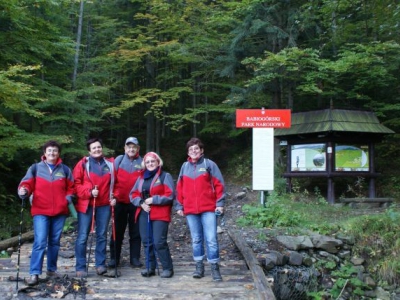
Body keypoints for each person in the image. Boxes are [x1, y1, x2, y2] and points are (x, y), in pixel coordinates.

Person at [17, 140, 75, 286]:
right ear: (44, 153)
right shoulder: (35, 168)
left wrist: (66, 199)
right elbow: (26, 184)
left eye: (55, 151)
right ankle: (34, 273)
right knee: (40, 242)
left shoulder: (65, 170)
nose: (52, 153)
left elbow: (72, 188)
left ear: (58, 153)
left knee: (54, 242)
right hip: (40, 210)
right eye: (49, 151)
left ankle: (51, 270)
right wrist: (23, 190)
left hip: (60, 212)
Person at [175, 137, 225, 281]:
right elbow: (179, 188)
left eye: (196, 148)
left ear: (201, 150)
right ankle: (199, 267)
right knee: (196, 239)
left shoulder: (209, 164)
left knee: (211, 239)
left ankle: (215, 268)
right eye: (191, 149)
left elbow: (219, 184)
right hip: (190, 209)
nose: (194, 151)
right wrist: (179, 205)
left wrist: (220, 204)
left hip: (209, 208)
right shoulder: (184, 167)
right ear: (188, 152)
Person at [73, 137, 116, 277]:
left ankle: (100, 265)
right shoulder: (82, 164)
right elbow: (76, 184)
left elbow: (117, 184)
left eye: (99, 147)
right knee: (83, 236)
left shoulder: (109, 164)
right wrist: (89, 193)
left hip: (104, 205)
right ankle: (80, 267)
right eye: (94, 148)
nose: (97, 150)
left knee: (102, 235)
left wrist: (114, 196)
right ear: (89, 151)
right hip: (87, 205)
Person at [130, 152, 175, 278]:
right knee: (147, 241)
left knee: (159, 242)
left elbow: (170, 195)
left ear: (158, 162)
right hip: (144, 212)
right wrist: (140, 203)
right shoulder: (141, 178)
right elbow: (132, 194)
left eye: (152, 161)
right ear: (144, 164)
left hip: (160, 213)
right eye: (147, 162)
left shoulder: (165, 176)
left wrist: (154, 200)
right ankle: (150, 267)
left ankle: (167, 268)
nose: (150, 164)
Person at [108, 137, 143, 268]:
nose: (131, 149)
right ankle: (114, 258)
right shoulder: (119, 160)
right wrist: (113, 196)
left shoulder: (143, 161)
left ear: (138, 148)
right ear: (125, 148)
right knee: (117, 231)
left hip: (136, 202)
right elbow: (112, 180)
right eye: (129, 147)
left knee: (136, 232)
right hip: (119, 201)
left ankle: (134, 258)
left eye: (134, 147)